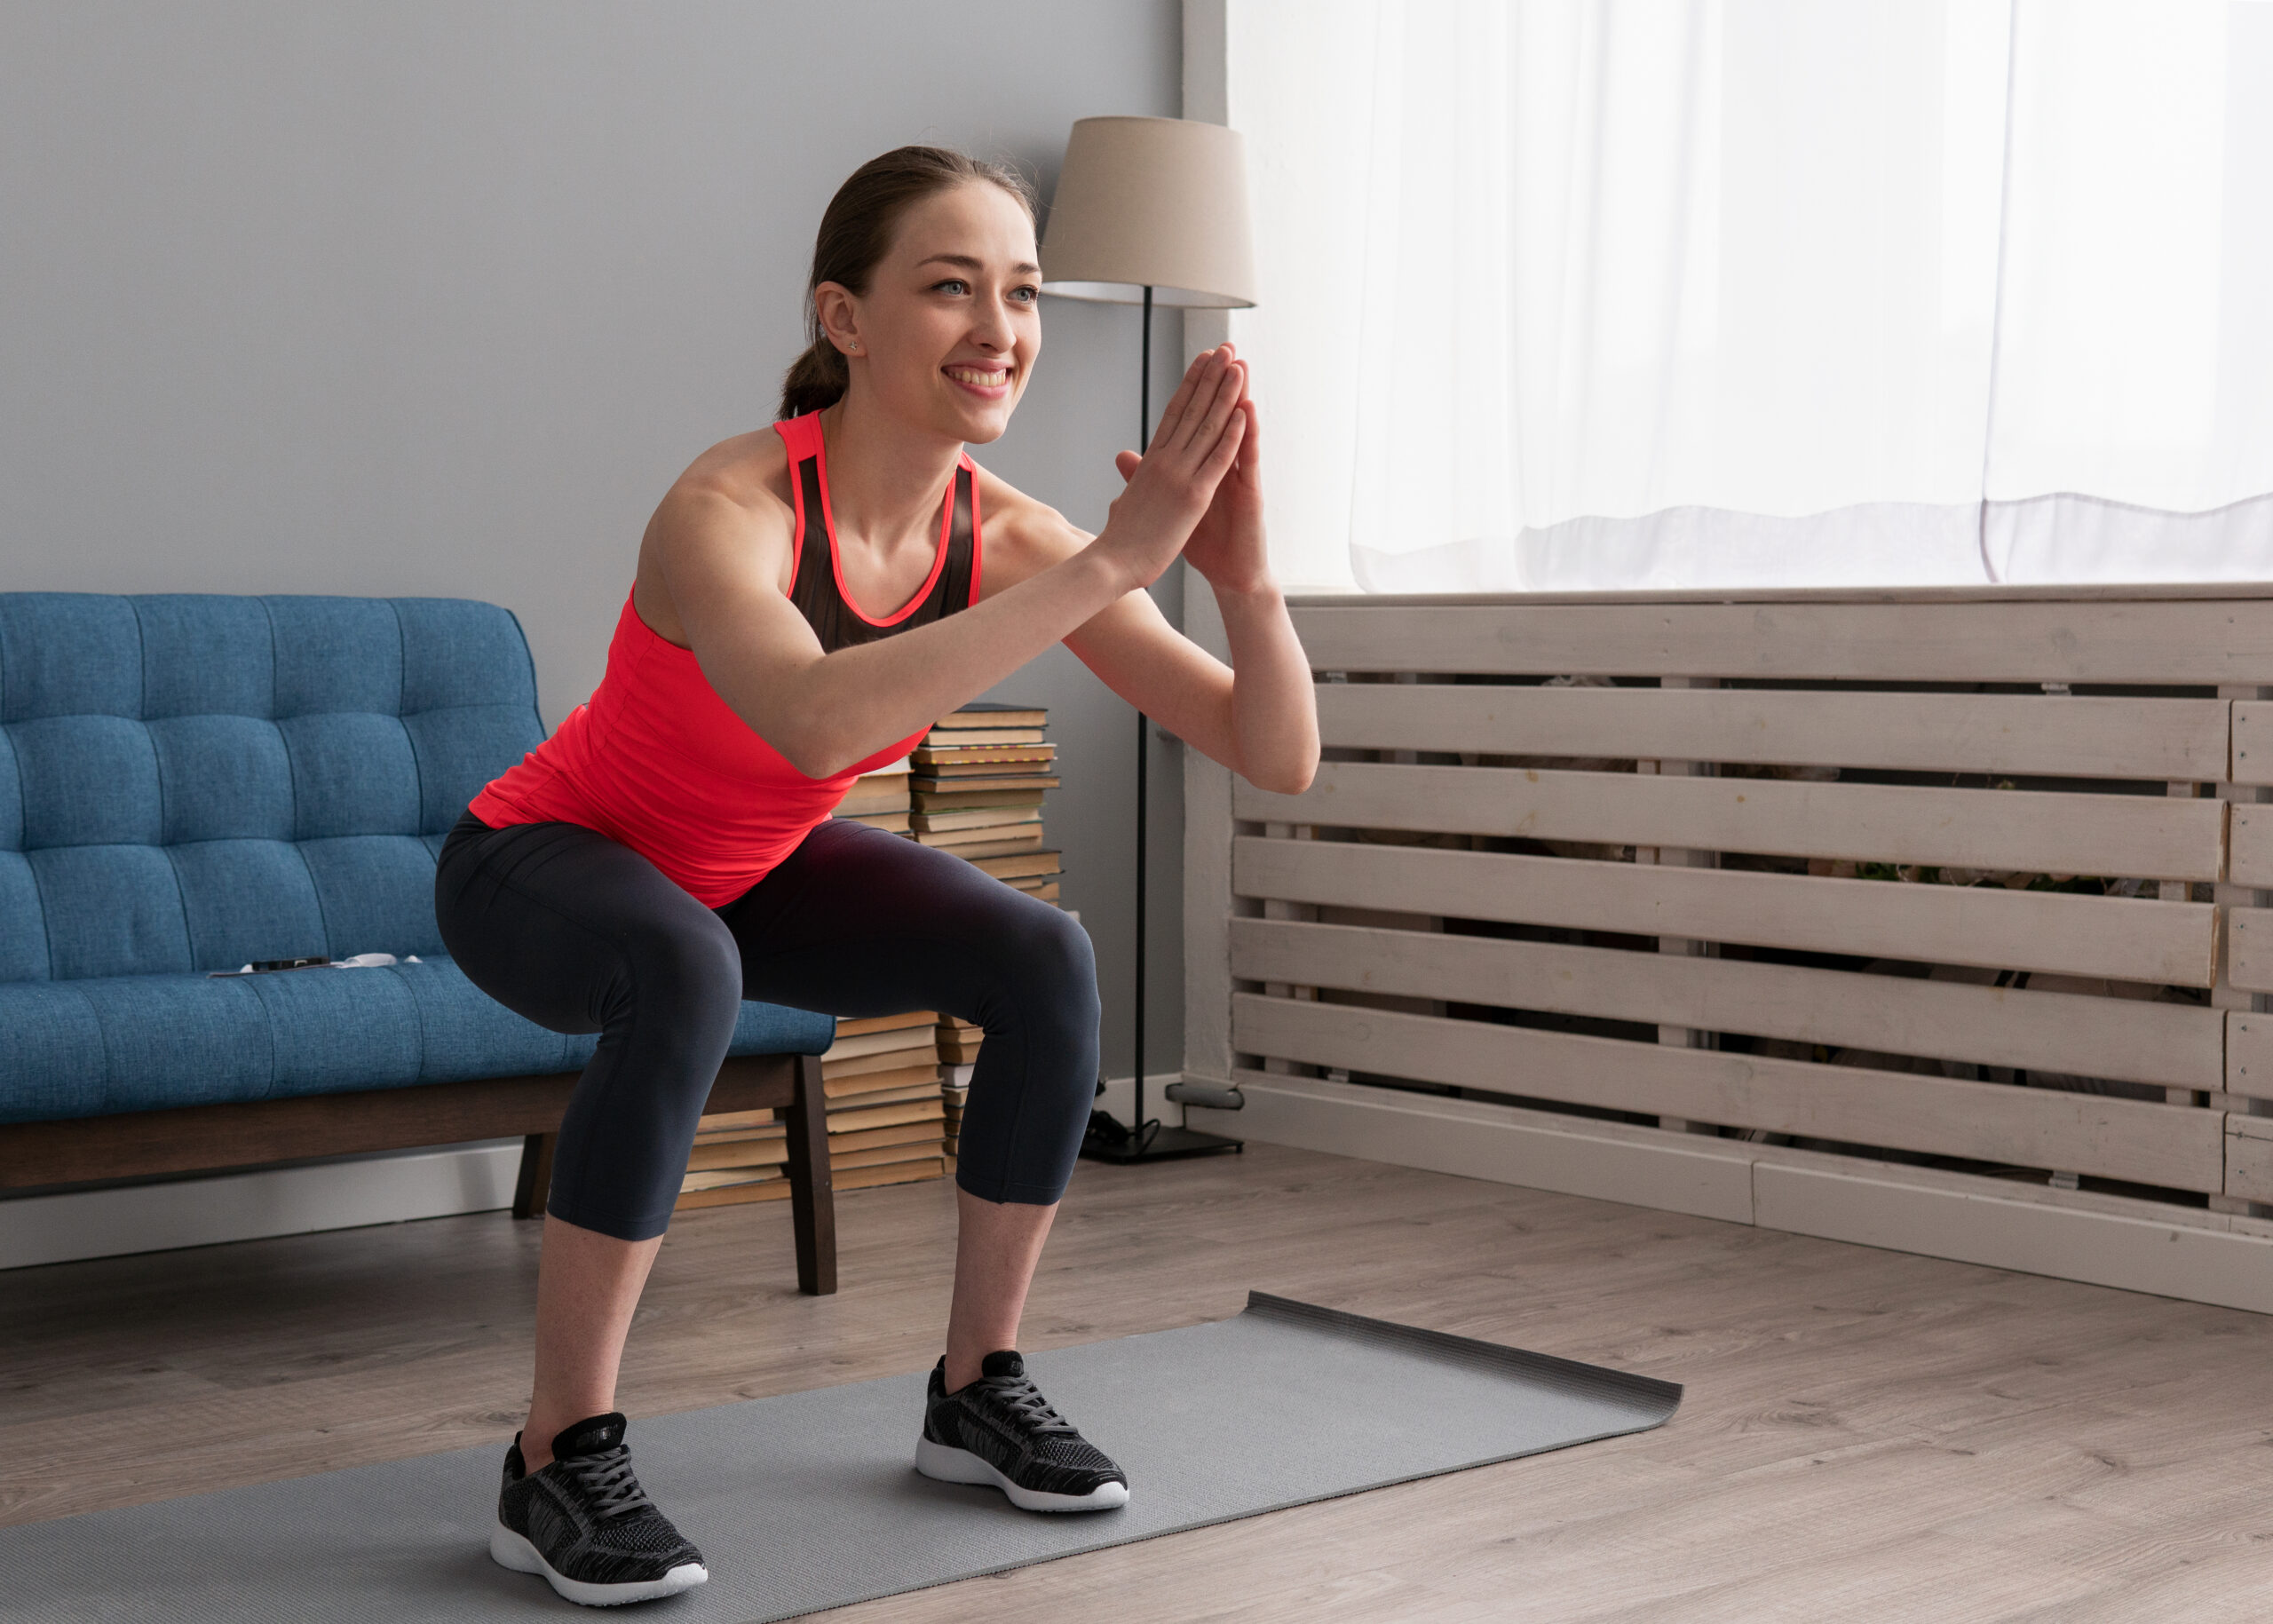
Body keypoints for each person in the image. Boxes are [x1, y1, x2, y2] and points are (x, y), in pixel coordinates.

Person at [435, 144, 1319, 1608]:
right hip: (543, 862)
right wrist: (1112, 563)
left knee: (1044, 957)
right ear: (843, 317)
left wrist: (1242, 580)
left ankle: (978, 1389)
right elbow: (821, 717)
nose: (1000, 329)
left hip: (742, 867)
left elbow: (1267, 748)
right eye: (950, 288)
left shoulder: (1007, 534)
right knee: (681, 963)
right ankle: (554, 1460)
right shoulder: (730, 508)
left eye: (1023, 293)